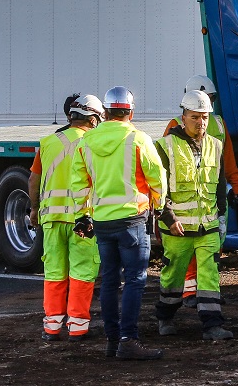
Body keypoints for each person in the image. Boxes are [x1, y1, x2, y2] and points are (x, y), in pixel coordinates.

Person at [72, 86, 167, 360]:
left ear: (105, 113)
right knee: (135, 280)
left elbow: (79, 183)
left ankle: (113, 341)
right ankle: (128, 340)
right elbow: (156, 177)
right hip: (132, 221)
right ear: (130, 112)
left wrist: (83, 214)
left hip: (102, 222)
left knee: (110, 282)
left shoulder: (86, 141)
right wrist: (160, 207)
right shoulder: (138, 139)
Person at [154, 90, 234, 341]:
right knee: (173, 276)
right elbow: (157, 188)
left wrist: (221, 217)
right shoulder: (165, 146)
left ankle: (212, 325)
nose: (201, 123)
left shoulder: (215, 145)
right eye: (195, 117)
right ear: (183, 117)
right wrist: (168, 218)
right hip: (177, 229)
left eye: (205, 118)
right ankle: (165, 316)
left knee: (209, 275)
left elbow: (219, 185)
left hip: (207, 226)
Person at [28, 94, 104, 341]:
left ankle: (51, 327)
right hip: (82, 220)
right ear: (93, 120)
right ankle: (78, 328)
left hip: (51, 220)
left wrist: (33, 209)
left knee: (54, 272)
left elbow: (33, 180)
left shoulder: (47, 142)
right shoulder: (94, 143)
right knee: (82, 271)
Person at [165, 75, 238, 307]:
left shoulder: (218, 124)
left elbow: (227, 158)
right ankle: (190, 291)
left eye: (208, 100)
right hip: (186, 196)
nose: (204, 104)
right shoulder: (174, 127)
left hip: (212, 195)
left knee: (213, 245)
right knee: (189, 244)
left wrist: (236, 184)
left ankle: (208, 291)